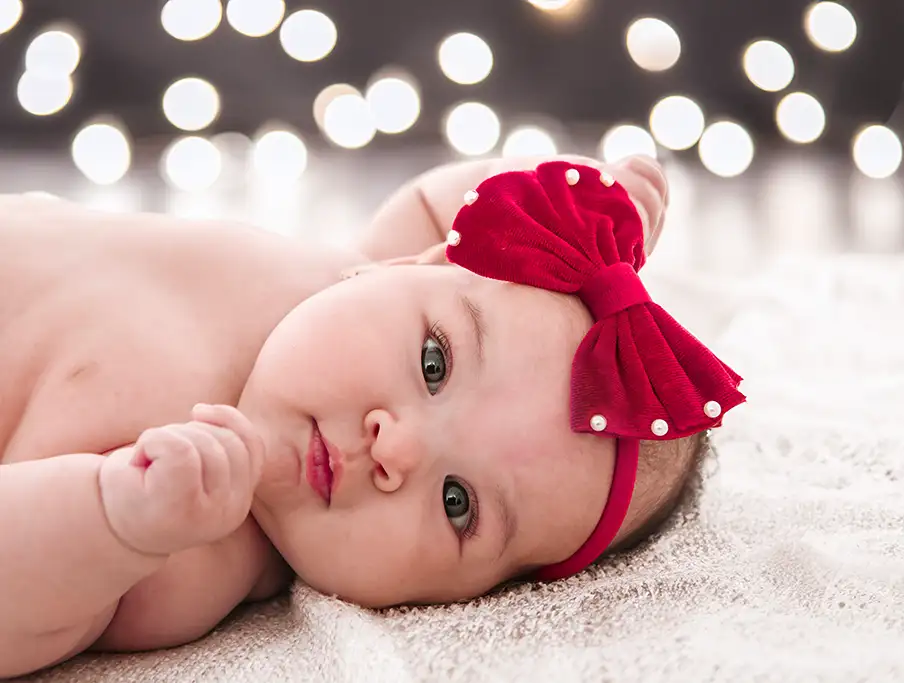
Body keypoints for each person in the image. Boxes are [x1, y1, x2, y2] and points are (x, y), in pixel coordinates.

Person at [0, 154, 743, 679]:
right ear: (409, 267)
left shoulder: (191, 548)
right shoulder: (343, 272)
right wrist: (595, 214)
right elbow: (449, 204)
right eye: (434, 363)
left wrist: (113, 517)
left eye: (458, 504)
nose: (400, 448)